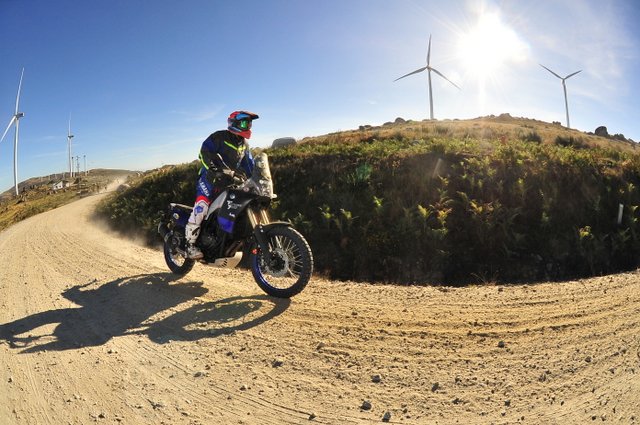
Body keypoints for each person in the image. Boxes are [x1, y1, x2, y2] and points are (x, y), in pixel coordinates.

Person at [184, 110, 259, 260]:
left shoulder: (244, 145)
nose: (248, 126)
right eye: (245, 123)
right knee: (202, 206)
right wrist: (214, 169)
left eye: (250, 123)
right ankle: (189, 245)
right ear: (235, 123)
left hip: (230, 182)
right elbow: (204, 152)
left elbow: (249, 165)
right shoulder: (219, 137)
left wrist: (256, 179)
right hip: (210, 179)